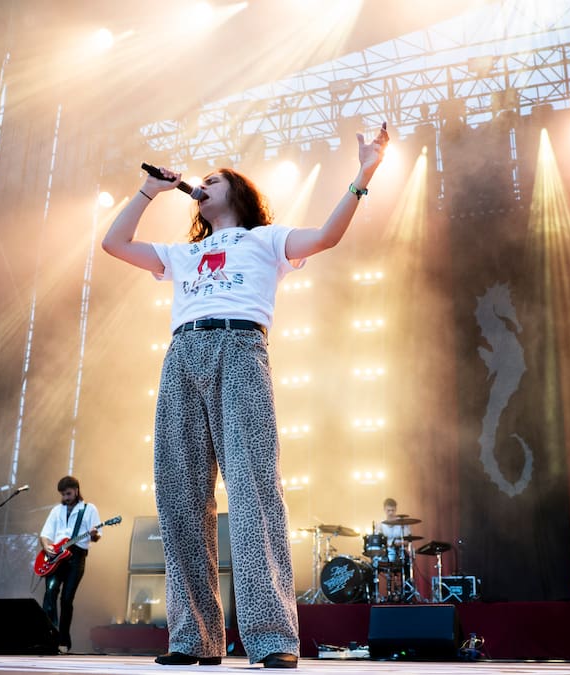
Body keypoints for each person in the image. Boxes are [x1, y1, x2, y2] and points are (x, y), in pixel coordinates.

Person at [102, 122, 389, 668]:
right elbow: (113, 243)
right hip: (184, 353)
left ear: (236, 192)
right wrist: (150, 191)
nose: (202, 184)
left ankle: (272, 636)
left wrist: (364, 172)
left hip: (240, 347)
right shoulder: (182, 254)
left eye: (213, 179)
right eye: (199, 180)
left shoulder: (267, 239)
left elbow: (327, 235)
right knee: (179, 495)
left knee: (254, 490)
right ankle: (194, 638)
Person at [38, 475, 102, 654]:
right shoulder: (56, 510)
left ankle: (63, 641)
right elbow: (44, 534)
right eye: (63, 494)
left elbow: (96, 536)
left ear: (76, 490)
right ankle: (49, 637)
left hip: (77, 557)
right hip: (56, 557)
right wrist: (47, 547)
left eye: (68, 493)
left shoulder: (89, 509)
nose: (65, 497)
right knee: (50, 593)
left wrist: (93, 534)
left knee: (66, 599)